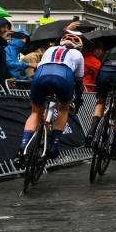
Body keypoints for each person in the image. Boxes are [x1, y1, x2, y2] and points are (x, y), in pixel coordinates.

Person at [16, 31, 85, 165]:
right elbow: (79, 81)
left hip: (41, 75)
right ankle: (54, 145)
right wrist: (78, 99)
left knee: (36, 112)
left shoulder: (50, 49)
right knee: (64, 109)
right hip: (63, 77)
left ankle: (23, 146)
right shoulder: (78, 55)